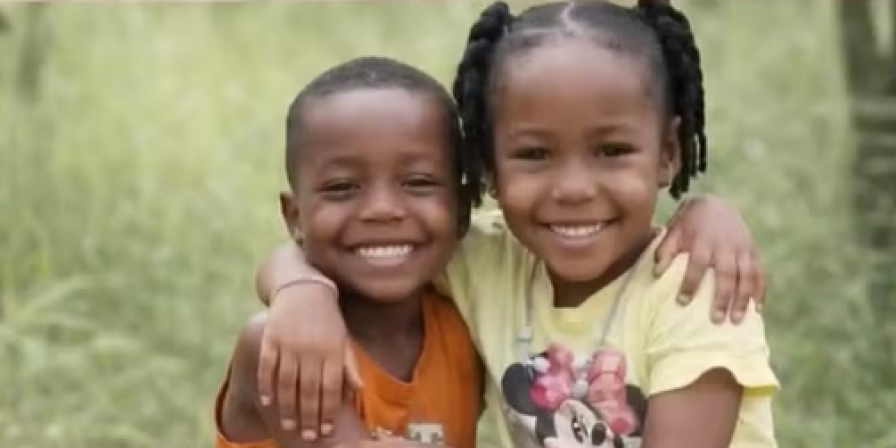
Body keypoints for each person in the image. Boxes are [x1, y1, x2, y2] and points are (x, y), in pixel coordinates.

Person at [254, 2, 778, 447]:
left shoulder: (697, 289)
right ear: (488, 168)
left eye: (612, 151)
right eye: (534, 154)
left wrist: (711, 209)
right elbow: (360, 244)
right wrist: (299, 290)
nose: (574, 188)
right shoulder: (490, 264)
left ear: (668, 153)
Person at [215, 56, 485, 448]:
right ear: (295, 217)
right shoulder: (276, 344)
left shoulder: (466, 324)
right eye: (342, 187)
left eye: (418, 182)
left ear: (461, 209)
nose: (382, 210)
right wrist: (298, 287)